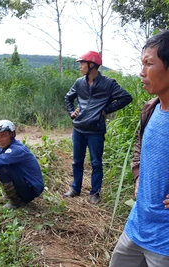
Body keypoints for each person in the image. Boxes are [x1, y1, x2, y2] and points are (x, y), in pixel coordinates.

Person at [109, 30, 169, 266]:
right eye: (141, 64)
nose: (141, 73)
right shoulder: (150, 109)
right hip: (137, 227)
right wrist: (137, 177)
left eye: (149, 64)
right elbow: (140, 147)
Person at [64, 51, 133, 204]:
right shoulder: (79, 82)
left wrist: (106, 110)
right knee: (77, 161)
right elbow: (68, 97)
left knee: (96, 163)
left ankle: (95, 193)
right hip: (79, 128)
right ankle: (75, 188)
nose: (80, 66)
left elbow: (126, 97)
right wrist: (71, 112)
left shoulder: (108, 83)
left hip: (96, 130)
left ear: (92, 65)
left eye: (82, 63)